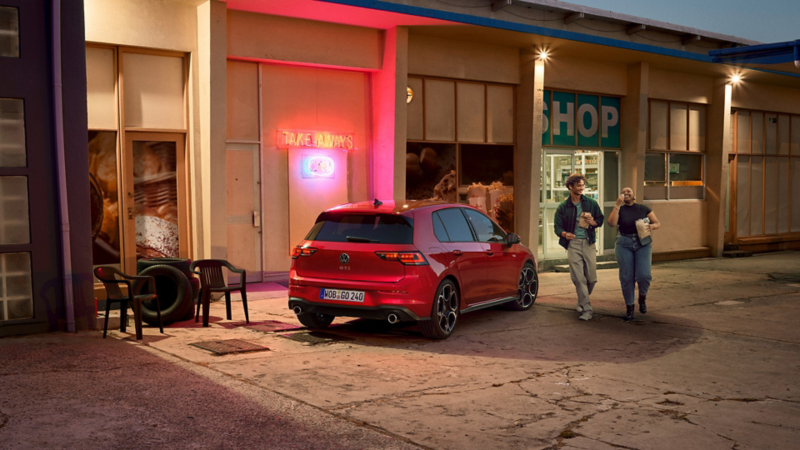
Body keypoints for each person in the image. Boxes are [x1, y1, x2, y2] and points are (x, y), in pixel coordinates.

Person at [553, 173, 604, 321]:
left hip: (588, 242)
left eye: (583, 185)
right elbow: (557, 227)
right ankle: (587, 309)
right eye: (579, 185)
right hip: (573, 244)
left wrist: (593, 222)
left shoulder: (591, 203)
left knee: (592, 279)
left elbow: (600, 219)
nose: (582, 188)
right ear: (570, 186)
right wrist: (564, 234)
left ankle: (582, 300)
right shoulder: (563, 206)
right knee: (579, 278)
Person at [607, 187, 660, 321]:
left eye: (629, 191)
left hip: (643, 243)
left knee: (644, 275)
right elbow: (611, 223)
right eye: (623, 192)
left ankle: (642, 297)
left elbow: (657, 222)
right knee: (626, 277)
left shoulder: (643, 208)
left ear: (634, 196)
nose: (626, 193)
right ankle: (629, 307)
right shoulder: (620, 209)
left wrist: (653, 226)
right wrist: (617, 205)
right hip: (624, 243)